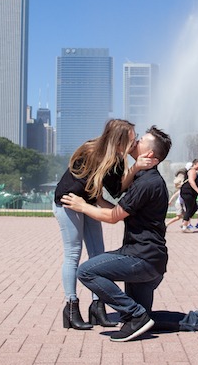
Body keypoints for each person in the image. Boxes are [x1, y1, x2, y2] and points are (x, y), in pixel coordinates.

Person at [62, 126, 198, 342]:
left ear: (149, 154)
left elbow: (115, 216)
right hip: (151, 259)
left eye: (141, 139)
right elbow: (117, 205)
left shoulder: (147, 183)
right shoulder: (143, 178)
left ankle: (135, 315)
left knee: (86, 271)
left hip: (140, 258)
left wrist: (82, 206)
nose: (135, 141)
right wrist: (95, 196)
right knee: (146, 318)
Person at [53, 119, 157, 330]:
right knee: (73, 253)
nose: (135, 141)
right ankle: (71, 308)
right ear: (119, 139)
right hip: (68, 201)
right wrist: (93, 204)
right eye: (132, 137)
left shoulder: (118, 160)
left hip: (88, 202)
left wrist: (135, 168)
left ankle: (97, 308)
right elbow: (80, 183)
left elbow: (117, 190)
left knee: (97, 254)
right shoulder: (91, 150)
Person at [180, 159, 198, 232]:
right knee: (190, 208)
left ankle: (185, 222)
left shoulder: (193, 171)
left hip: (189, 192)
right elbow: (191, 181)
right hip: (188, 192)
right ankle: (184, 226)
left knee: (194, 208)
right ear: (194, 164)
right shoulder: (192, 171)